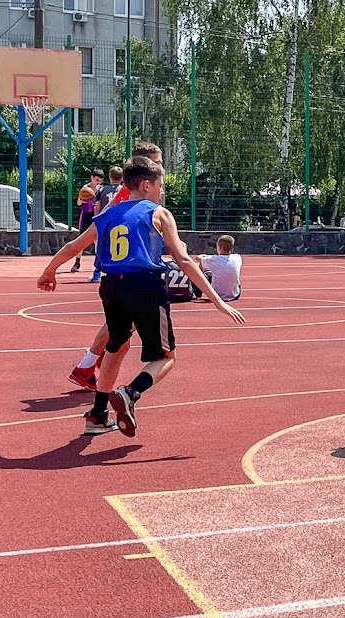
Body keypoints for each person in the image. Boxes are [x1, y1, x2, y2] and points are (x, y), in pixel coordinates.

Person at [38, 156, 246, 436]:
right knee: (166, 357)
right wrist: (218, 301)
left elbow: (75, 246)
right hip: (145, 285)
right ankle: (131, 392)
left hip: (112, 287)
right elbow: (183, 260)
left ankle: (98, 414)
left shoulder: (107, 215)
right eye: (160, 185)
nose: (161, 191)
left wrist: (49, 271)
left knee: (115, 347)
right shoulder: (158, 214)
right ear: (147, 185)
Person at [67, 144, 165, 391]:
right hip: (126, 268)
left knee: (119, 330)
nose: (162, 166)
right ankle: (89, 369)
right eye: (158, 161)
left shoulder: (142, 190)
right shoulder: (128, 194)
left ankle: (88, 368)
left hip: (124, 269)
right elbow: (105, 223)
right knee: (121, 334)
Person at [88, 167, 124, 283]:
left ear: (109, 177)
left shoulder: (102, 190)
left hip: (106, 221)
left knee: (101, 247)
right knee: (121, 247)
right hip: (120, 222)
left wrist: (97, 221)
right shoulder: (124, 190)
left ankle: (97, 273)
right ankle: (121, 272)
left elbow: (97, 208)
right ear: (122, 178)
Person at [70, 169, 104, 273]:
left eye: (100, 181)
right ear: (92, 177)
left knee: (97, 240)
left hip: (96, 215)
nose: (98, 182)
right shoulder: (85, 189)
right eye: (97, 179)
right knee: (82, 239)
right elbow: (79, 203)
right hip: (86, 215)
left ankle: (99, 263)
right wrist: (81, 200)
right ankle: (77, 262)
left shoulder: (101, 189)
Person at [193, 235, 242, 301]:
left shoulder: (214, 259)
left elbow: (198, 258)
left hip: (216, 296)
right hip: (235, 295)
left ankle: (198, 292)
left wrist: (206, 256)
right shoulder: (237, 257)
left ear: (220, 248)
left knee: (199, 269)